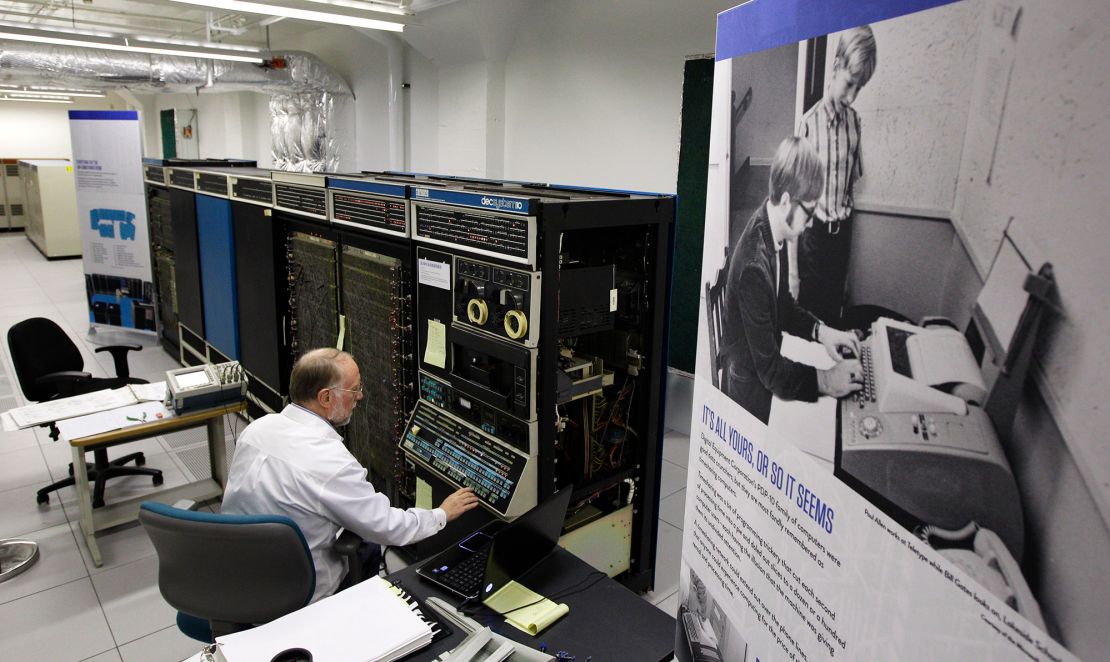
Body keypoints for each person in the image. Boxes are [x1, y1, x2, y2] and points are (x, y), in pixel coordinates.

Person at [221, 347, 480, 602]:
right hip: (299, 594)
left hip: (237, 576)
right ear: (325, 398)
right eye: (354, 389)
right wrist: (442, 513)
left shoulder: (257, 429)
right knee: (367, 546)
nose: (360, 396)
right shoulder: (332, 463)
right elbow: (388, 527)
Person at [718, 137, 862, 424]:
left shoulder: (773, 227)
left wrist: (823, 332)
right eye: (809, 212)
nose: (812, 222)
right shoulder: (754, 267)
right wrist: (827, 380)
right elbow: (771, 372)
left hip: (765, 365)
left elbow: (783, 306)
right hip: (748, 391)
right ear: (786, 202)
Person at [792, 25, 877, 324]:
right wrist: (792, 273)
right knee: (811, 320)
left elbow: (849, 188)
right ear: (836, 66)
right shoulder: (807, 125)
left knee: (834, 316)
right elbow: (793, 206)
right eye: (849, 83)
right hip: (813, 239)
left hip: (842, 237)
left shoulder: (855, 123)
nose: (852, 97)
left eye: (860, 88)